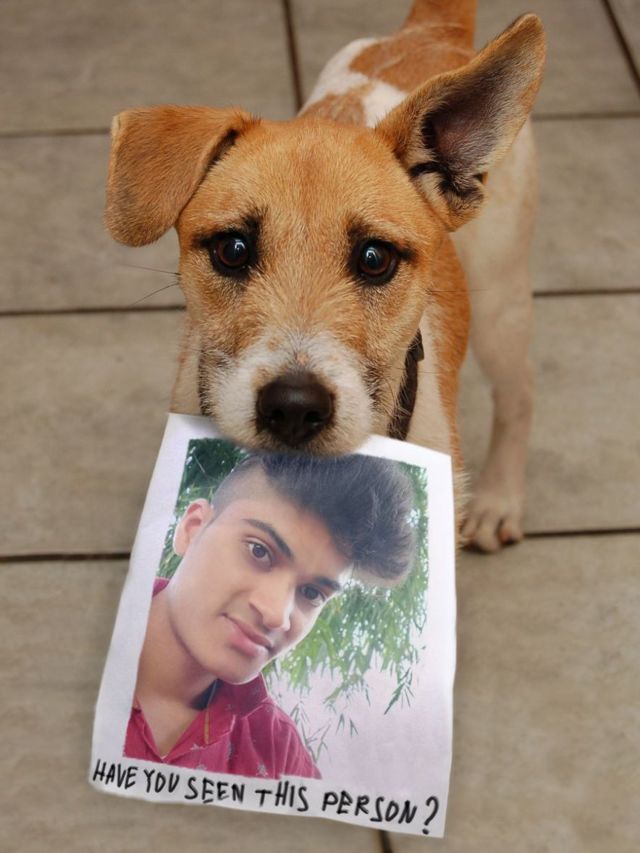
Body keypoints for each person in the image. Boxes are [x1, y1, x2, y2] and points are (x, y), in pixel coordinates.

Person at [125, 451, 417, 779]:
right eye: (259, 551)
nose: (277, 615)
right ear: (192, 529)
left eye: (311, 593)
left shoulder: (280, 757)